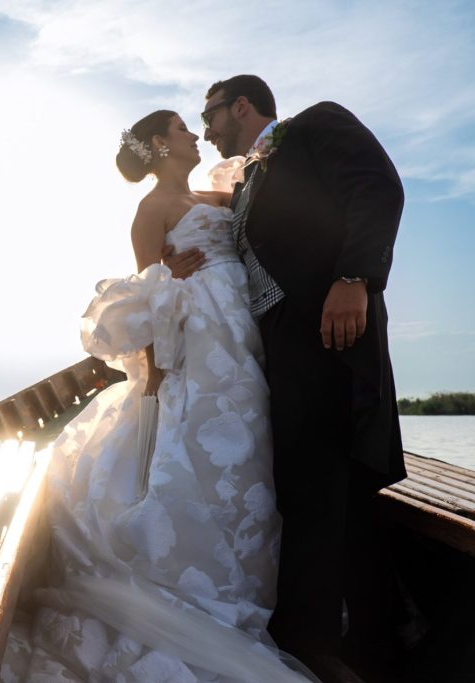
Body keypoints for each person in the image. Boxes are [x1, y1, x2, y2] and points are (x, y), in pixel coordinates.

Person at [4, 110, 313, 682]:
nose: (193, 135)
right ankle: (192, 578)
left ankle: (244, 572)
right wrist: (156, 376)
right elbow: (147, 297)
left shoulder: (219, 196)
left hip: (241, 332)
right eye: (180, 129)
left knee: (248, 447)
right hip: (196, 343)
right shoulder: (150, 210)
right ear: (157, 145)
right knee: (204, 447)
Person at [163, 75, 405, 680]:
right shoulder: (245, 180)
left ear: (241, 106)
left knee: (331, 483)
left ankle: (338, 642)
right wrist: (169, 259)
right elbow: (206, 229)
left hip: (332, 333)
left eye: (211, 114)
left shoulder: (315, 125)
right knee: (304, 486)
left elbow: (377, 188)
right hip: (276, 352)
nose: (208, 128)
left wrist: (354, 278)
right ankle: (334, 633)